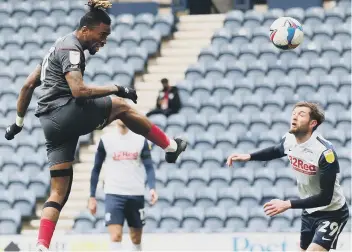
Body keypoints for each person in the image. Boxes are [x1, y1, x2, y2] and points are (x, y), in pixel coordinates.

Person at [3, 1, 186, 251]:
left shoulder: (56, 47)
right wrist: (116, 87)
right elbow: (79, 91)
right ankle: (170, 146)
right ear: (85, 30)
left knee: (59, 191)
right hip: (65, 113)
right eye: (103, 35)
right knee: (121, 105)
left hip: (50, 125)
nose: (105, 40)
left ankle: (41, 246)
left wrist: (17, 123)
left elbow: (27, 86)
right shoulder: (73, 48)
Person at [226, 102, 349, 252]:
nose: (295, 116)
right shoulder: (289, 139)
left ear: (313, 123)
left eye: (301, 114)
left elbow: (325, 197)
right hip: (309, 211)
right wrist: (249, 156)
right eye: (294, 113)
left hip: (332, 212)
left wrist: (287, 204)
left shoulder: (325, 152)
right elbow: (276, 150)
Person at [88, 120, 158, 251]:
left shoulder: (140, 140)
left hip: (136, 194)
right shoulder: (106, 139)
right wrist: (92, 196)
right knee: (116, 236)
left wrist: (152, 188)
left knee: (136, 238)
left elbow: (149, 167)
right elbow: (96, 168)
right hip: (114, 194)